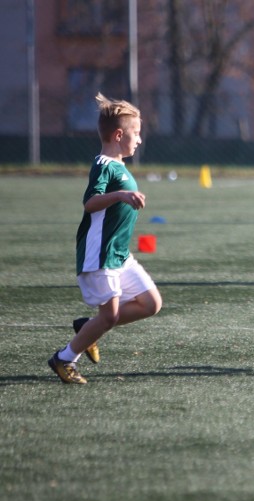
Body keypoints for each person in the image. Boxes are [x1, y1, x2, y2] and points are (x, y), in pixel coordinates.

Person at [48, 92, 162, 384]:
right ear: (119, 134)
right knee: (109, 317)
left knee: (151, 303)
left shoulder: (119, 165)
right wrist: (122, 195)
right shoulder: (103, 164)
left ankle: (89, 327)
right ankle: (64, 358)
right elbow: (90, 202)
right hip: (100, 255)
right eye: (136, 133)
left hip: (119, 255)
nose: (139, 139)